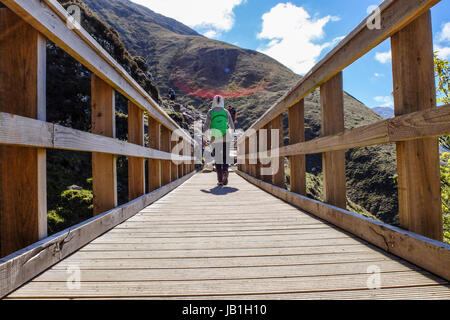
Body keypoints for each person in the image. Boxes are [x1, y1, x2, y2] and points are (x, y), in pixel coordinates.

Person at [203, 95, 235, 186]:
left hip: (215, 137)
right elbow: (232, 125)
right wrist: (232, 135)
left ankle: (220, 180)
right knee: (225, 158)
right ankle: (225, 171)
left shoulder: (210, 112)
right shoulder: (226, 112)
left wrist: (204, 137)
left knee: (217, 159)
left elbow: (206, 126)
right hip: (226, 137)